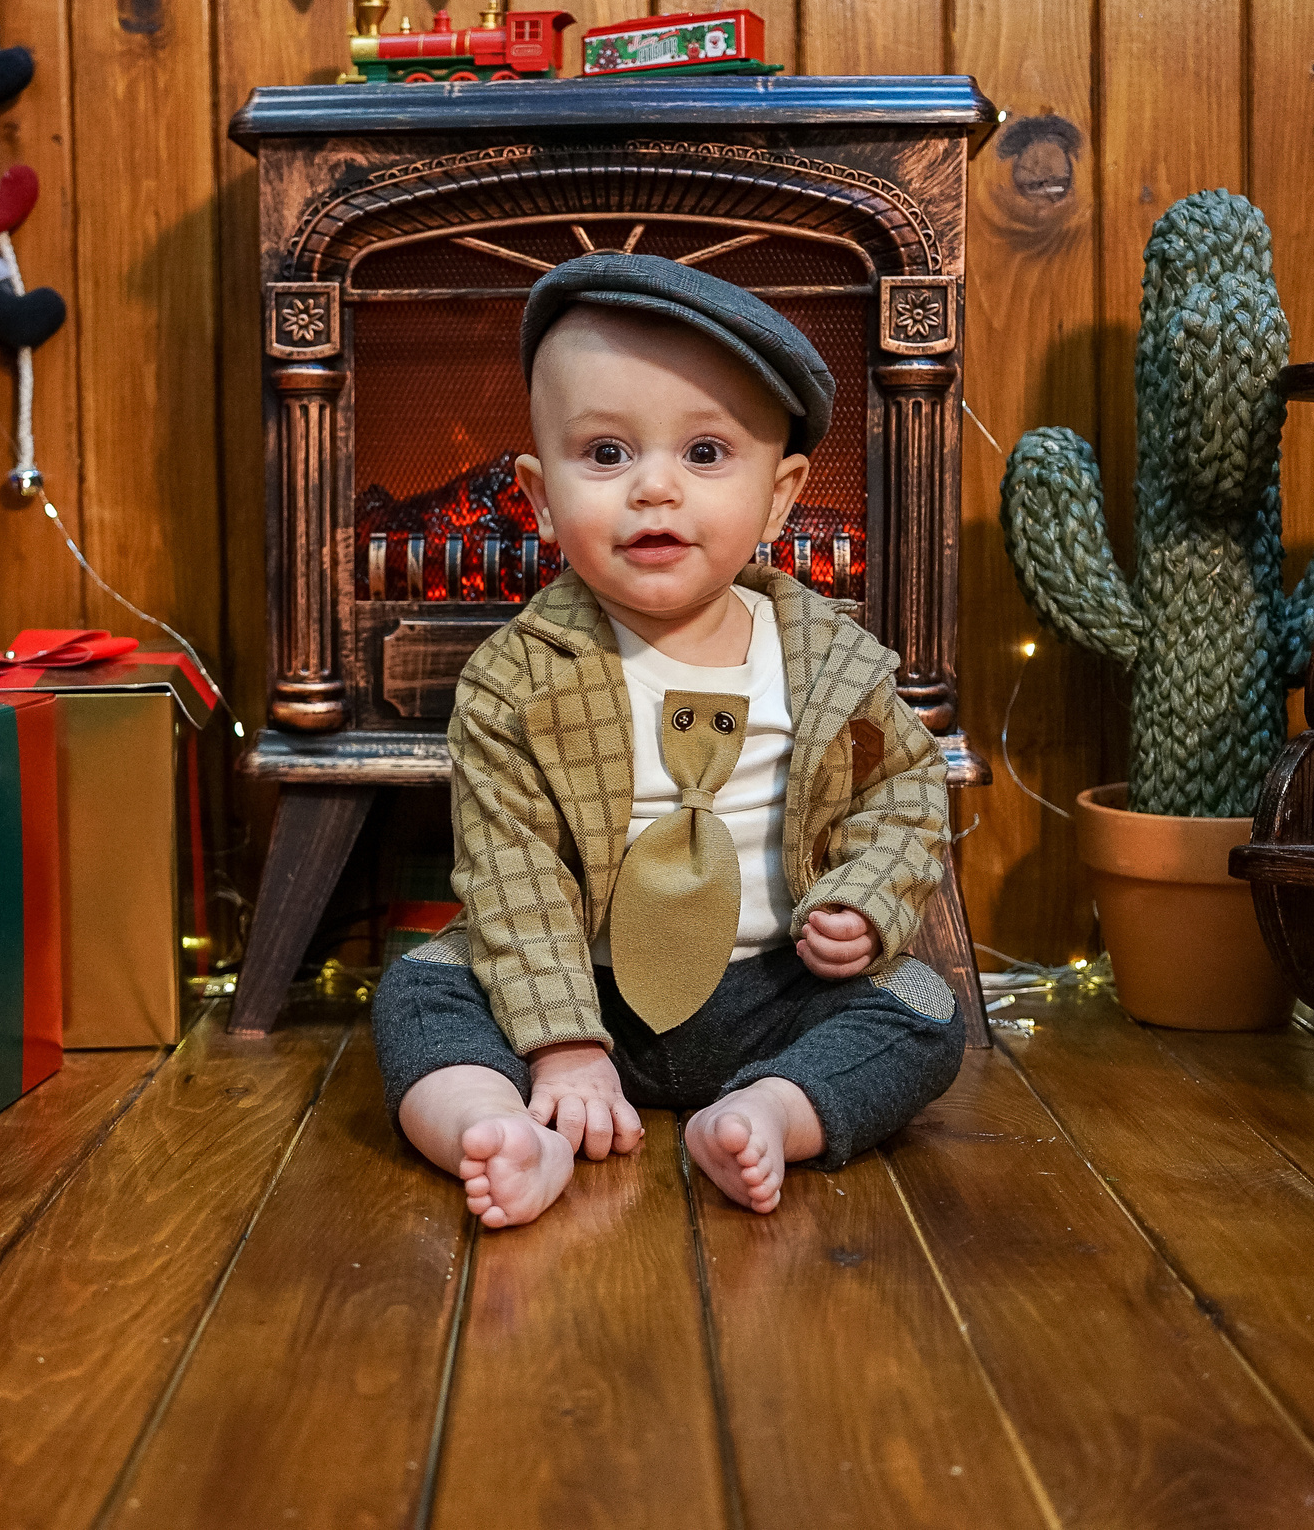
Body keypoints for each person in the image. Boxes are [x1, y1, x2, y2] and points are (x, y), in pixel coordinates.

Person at [373, 253, 963, 1228]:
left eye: (705, 453)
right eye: (606, 454)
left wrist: (865, 896)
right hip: (581, 985)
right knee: (422, 988)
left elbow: (903, 792)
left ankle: (773, 1110)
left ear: (781, 495)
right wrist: (560, 1040)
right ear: (540, 496)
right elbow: (513, 873)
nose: (654, 487)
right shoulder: (515, 681)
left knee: (924, 1010)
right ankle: (498, 1125)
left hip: (775, 992)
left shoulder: (830, 663)